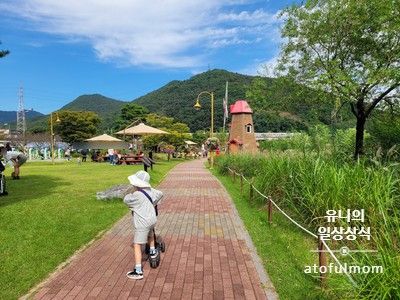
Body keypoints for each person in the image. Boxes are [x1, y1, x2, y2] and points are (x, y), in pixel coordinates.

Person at [123, 170, 163, 280]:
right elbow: (160, 193)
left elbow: (126, 199)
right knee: (150, 235)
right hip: (152, 220)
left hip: (142, 224)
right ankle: (153, 252)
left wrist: (131, 191)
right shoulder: (150, 191)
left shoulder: (136, 195)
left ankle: (138, 270)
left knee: (137, 244)